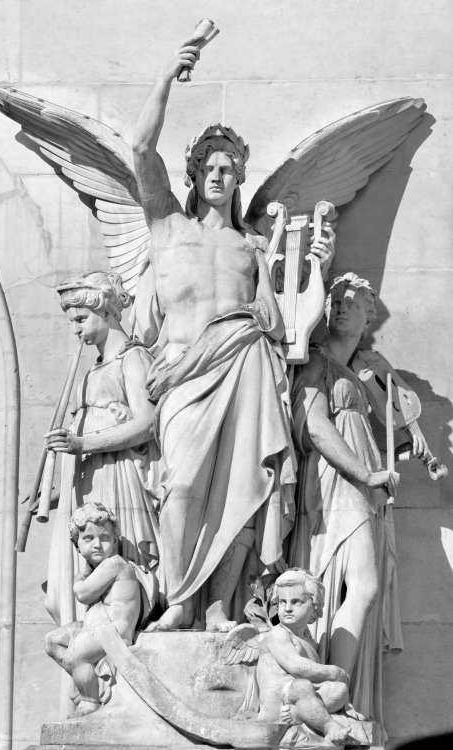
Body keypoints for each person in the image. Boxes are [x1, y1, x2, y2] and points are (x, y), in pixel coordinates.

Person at [131, 38, 335, 632]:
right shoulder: (168, 226)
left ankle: (218, 607)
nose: (219, 176)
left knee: (243, 487)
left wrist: (312, 270)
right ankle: (178, 602)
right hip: (185, 377)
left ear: (239, 178)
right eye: (209, 167)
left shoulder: (251, 247)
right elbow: (140, 148)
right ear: (193, 175)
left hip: (246, 366)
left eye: (230, 169)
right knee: (184, 486)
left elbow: (283, 325)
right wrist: (169, 72)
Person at [290, 272, 423, 729]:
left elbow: (398, 423)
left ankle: (336, 685)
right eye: (335, 300)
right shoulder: (316, 362)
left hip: (361, 483)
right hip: (335, 482)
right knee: (361, 584)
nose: (341, 307)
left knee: (364, 585)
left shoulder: (354, 371)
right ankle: (332, 687)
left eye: (353, 302)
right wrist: (365, 471)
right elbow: (314, 424)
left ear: (369, 316)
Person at [44, 271, 161, 628]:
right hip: (90, 486)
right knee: (61, 597)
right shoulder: (92, 371)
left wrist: (82, 443)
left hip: (120, 478)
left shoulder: (133, 358)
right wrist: (55, 495)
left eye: (81, 319)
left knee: (115, 583)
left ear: (106, 311)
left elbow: (147, 423)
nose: (76, 328)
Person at [45, 502, 141, 717]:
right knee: (52, 641)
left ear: (115, 540)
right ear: (77, 545)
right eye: (88, 538)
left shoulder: (114, 564)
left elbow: (83, 594)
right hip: (97, 626)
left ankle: (90, 702)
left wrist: (81, 575)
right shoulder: (102, 567)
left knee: (74, 657)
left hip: (114, 631)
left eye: (105, 537)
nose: (98, 544)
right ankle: (88, 684)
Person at [256, 569, 352, 744]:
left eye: (297, 602)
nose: (288, 608)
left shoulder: (307, 639)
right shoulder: (278, 635)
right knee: (303, 686)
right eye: (282, 602)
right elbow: (296, 667)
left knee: (339, 690)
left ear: (314, 607)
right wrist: (333, 671)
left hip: (297, 697)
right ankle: (329, 727)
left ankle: (296, 714)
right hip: (276, 699)